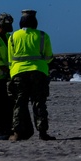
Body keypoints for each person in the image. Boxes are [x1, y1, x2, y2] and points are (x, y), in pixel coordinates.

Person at [7, 9, 54, 141]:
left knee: (19, 103)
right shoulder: (43, 36)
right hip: (39, 72)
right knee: (39, 102)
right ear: (35, 22)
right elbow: (49, 57)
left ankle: (17, 132)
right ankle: (42, 132)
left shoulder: (13, 37)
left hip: (18, 73)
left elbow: (10, 58)